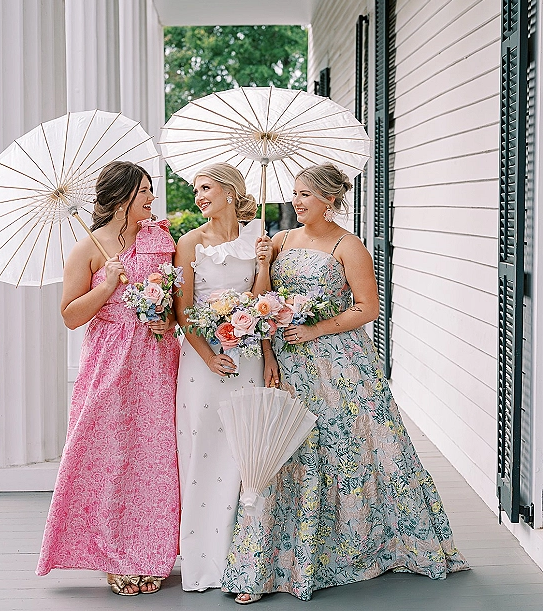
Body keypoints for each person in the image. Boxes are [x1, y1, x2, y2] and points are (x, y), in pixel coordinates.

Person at [221, 162, 469, 603]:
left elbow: (368, 308)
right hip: (290, 363)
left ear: (330, 200)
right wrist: (263, 270)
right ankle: (279, 560)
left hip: (341, 368)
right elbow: (259, 301)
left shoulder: (348, 246)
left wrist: (315, 329)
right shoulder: (279, 240)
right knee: (290, 452)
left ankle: (359, 546)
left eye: (305, 196)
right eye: (294, 194)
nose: (295, 202)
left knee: (348, 449)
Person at [37, 161, 180, 597]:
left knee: (156, 458)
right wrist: (107, 286)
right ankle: (115, 556)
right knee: (109, 455)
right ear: (120, 198)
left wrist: (166, 321)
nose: (151, 199)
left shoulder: (161, 238)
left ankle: (152, 554)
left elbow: (177, 300)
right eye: (143, 192)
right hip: (108, 360)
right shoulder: (87, 249)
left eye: (151, 191)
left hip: (156, 360)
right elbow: (70, 316)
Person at [174, 162, 277, 592]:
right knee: (203, 457)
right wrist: (208, 356)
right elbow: (182, 310)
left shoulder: (258, 239)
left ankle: (248, 565)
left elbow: (261, 301)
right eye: (196, 190)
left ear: (231, 192)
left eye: (206, 188)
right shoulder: (189, 243)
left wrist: (265, 262)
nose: (199, 196)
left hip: (249, 356)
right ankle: (204, 564)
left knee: (246, 456)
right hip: (202, 362)